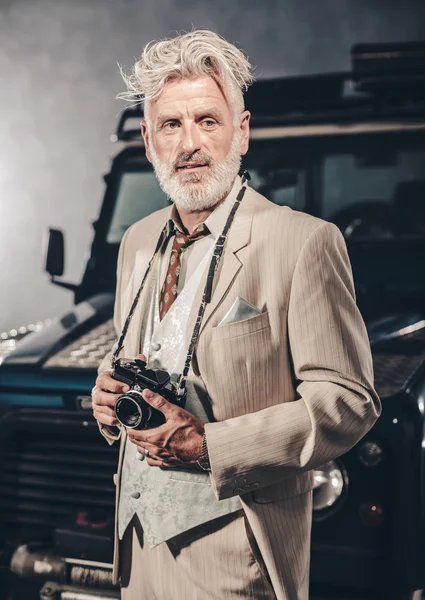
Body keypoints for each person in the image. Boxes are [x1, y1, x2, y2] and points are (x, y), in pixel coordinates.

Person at [92, 29, 381, 600]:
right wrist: (107, 399)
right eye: (172, 125)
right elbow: (147, 354)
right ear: (149, 141)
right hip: (136, 550)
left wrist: (209, 446)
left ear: (241, 133)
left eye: (208, 120)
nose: (189, 143)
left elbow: (348, 401)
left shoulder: (303, 241)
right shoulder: (137, 241)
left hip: (237, 556)